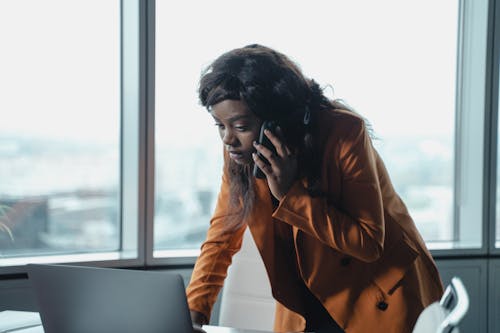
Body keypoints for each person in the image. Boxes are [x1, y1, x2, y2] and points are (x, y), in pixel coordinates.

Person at [186, 44, 444, 333]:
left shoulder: (344, 133)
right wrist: (193, 314)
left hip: (377, 298)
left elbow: (368, 241)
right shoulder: (240, 155)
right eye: (219, 125)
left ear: (276, 120)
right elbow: (221, 237)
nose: (227, 139)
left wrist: (291, 195)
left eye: (240, 126)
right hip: (306, 303)